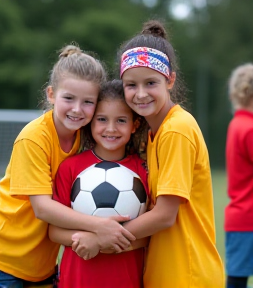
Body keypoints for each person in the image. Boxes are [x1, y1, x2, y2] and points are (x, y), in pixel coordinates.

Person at [72, 20, 225, 288]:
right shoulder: (155, 134)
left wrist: (101, 239)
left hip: (187, 275)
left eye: (151, 83)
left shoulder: (177, 130)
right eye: (131, 85)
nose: (140, 94)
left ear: (170, 80)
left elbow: (166, 215)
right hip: (165, 274)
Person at [0, 45, 136, 288]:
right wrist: (100, 227)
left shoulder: (84, 137)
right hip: (1, 255)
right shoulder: (34, 138)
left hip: (41, 263)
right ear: (51, 94)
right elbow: (43, 209)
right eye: (68, 98)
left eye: (88, 102)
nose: (77, 109)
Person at [48, 79, 150, 288]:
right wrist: (86, 238)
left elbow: (151, 236)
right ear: (91, 122)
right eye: (102, 119)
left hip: (125, 280)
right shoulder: (70, 168)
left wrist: (100, 242)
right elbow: (54, 232)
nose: (111, 128)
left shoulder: (144, 171)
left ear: (135, 125)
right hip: (77, 280)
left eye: (121, 120)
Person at [224, 63, 253, 288]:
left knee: (236, 279)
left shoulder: (237, 124)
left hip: (238, 218)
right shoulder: (249, 128)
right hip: (249, 218)